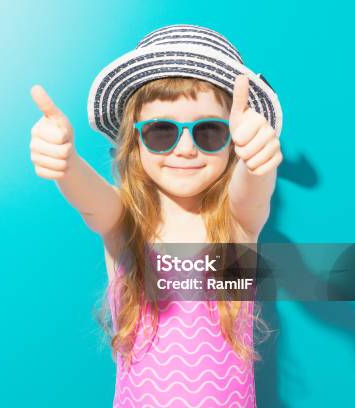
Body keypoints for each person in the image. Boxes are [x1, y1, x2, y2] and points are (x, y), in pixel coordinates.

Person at [29, 24, 282, 408]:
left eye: (209, 132)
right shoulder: (125, 223)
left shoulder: (236, 224)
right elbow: (91, 199)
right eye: (162, 131)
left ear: (232, 143)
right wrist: (67, 166)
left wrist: (258, 161)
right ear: (135, 142)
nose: (184, 149)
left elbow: (254, 191)